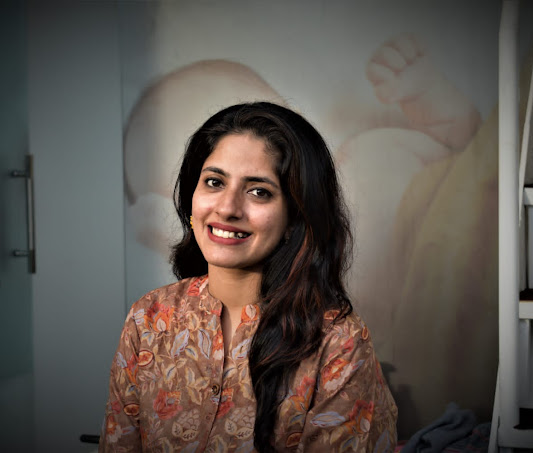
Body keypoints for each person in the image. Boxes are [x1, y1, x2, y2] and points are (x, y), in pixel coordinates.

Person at [100, 102, 398, 452]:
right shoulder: (149, 318)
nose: (227, 208)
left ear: (295, 218)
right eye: (214, 182)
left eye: (259, 191)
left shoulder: (338, 343)